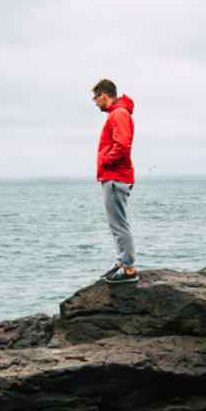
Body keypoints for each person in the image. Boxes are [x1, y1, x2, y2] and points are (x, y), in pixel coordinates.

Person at [92, 78, 138, 284]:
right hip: (115, 176)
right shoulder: (118, 114)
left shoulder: (118, 114)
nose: (94, 101)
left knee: (118, 224)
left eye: (95, 97)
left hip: (115, 176)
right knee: (117, 223)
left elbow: (122, 145)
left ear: (104, 95)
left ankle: (128, 268)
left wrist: (105, 161)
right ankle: (122, 262)